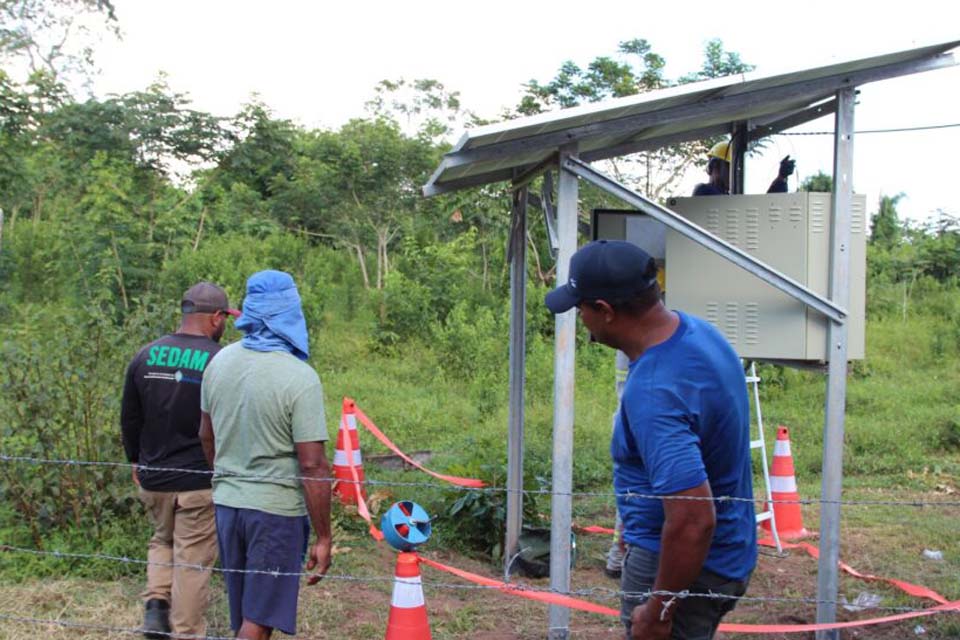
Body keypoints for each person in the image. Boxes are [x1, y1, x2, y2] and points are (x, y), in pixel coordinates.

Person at [545, 240, 756, 640]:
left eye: (581, 309)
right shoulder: (699, 334)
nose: (582, 320)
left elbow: (694, 519)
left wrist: (660, 607)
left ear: (605, 311)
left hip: (684, 568)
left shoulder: (654, 391)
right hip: (726, 552)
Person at [199, 270, 332, 640]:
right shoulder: (299, 377)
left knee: (246, 610)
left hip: (228, 506)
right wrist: (324, 537)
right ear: (290, 312)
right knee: (258, 619)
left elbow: (205, 436)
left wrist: (228, 477)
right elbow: (313, 464)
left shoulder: (219, 364)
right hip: (274, 514)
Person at [121, 281, 239, 639]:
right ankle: (186, 632)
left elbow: (130, 417)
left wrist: (136, 462)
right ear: (216, 318)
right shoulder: (221, 360)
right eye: (226, 319)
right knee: (192, 559)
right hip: (198, 481)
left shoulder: (145, 355)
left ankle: (156, 607)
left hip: (154, 475)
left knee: (162, 540)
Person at [692, 140, 795, 196]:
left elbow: (765, 209)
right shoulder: (704, 191)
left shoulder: (727, 196)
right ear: (714, 166)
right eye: (729, 167)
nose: (734, 174)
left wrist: (781, 178)